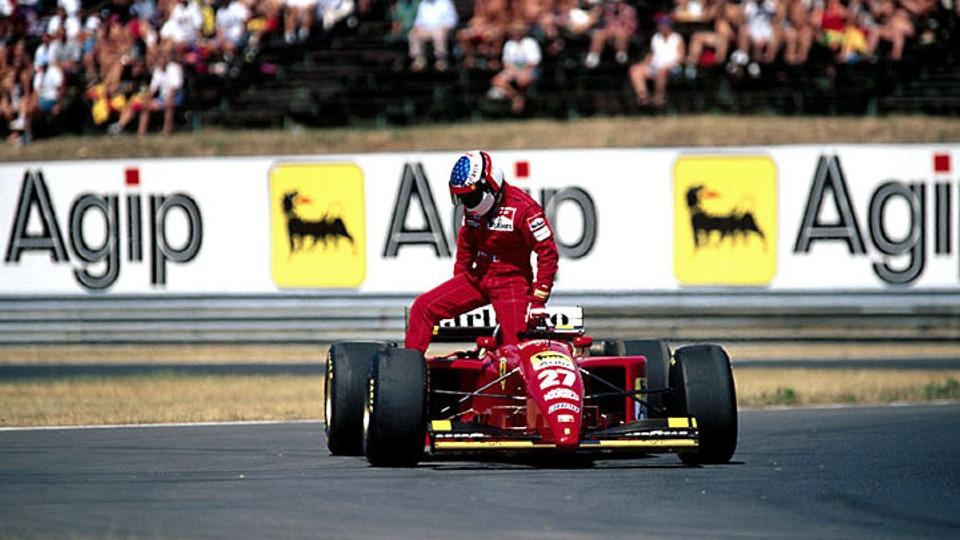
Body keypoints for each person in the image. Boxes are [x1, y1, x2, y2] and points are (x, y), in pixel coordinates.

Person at [405, 150, 559, 354]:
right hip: (478, 278)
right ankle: (408, 368)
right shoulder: (473, 210)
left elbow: (547, 252)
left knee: (514, 351)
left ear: (490, 185)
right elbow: (466, 244)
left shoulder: (525, 209)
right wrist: (459, 279)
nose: (466, 202)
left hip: (512, 284)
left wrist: (538, 299)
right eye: (462, 197)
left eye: (470, 196)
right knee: (422, 308)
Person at [629, 15, 684, 106]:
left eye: (665, 25)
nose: (662, 27)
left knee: (662, 71)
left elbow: (681, 57)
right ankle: (643, 96)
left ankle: (659, 97)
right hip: (656, 66)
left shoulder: (677, 38)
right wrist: (644, 63)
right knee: (635, 70)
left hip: (672, 68)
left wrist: (670, 65)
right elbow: (652, 55)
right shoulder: (655, 38)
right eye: (661, 25)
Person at [489, 21, 540, 113]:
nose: (516, 33)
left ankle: (524, 104)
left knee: (523, 80)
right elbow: (507, 62)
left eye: (518, 31)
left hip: (528, 69)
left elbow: (534, 61)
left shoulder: (530, 43)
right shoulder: (509, 44)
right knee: (497, 81)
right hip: (512, 70)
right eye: (514, 31)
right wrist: (514, 71)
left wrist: (521, 70)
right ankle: (516, 97)